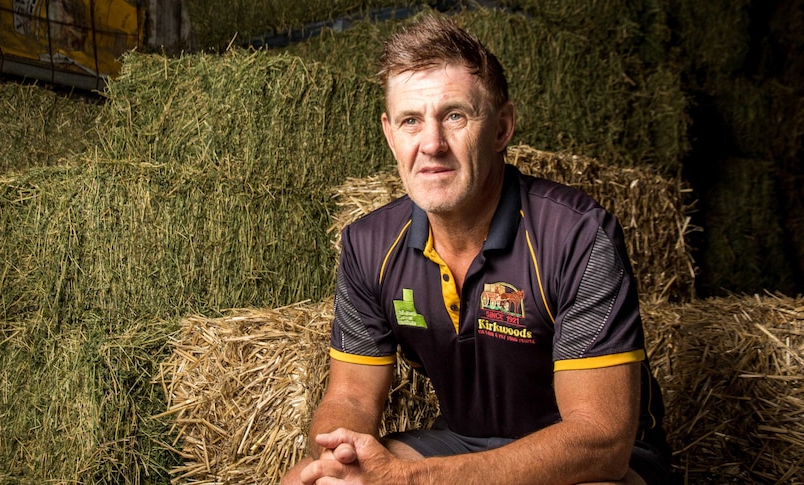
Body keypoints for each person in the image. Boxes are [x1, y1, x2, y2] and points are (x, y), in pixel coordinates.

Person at [282, 13, 672, 485]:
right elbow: (353, 399)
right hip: (464, 442)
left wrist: (411, 480)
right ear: (389, 133)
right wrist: (338, 458)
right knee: (310, 480)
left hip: (589, 460)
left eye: (455, 116)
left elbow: (599, 441)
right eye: (411, 121)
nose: (431, 144)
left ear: (502, 127)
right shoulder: (368, 245)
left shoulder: (576, 235)